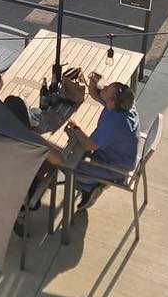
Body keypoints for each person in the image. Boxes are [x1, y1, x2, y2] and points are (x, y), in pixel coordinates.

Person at [52, 73, 139, 211]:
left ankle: (92, 187)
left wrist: (75, 128)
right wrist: (93, 82)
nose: (103, 87)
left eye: (106, 89)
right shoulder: (123, 105)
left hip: (114, 167)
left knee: (63, 162)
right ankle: (93, 185)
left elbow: (89, 145)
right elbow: (95, 94)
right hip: (116, 155)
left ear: (112, 102)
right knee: (72, 152)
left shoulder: (113, 124)